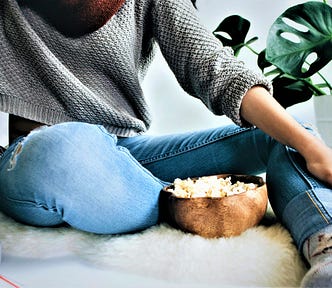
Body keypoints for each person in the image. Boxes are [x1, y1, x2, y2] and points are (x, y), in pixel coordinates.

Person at [0, 0, 331, 286]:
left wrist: (311, 147)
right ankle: (180, 202)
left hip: (127, 155)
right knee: (62, 149)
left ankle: (325, 247)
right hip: (39, 157)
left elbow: (214, 68)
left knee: (291, 135)